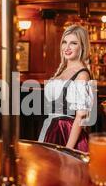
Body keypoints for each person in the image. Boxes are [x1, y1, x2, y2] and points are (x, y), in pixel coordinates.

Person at [38, 24, 94, 152]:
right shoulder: (63, 70)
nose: (67, 47)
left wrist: (68, 150)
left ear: (82, 47)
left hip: (66, 132)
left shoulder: (82, 74)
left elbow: (81, 116)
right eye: (64, 42)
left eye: (73, 43)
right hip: (51, 128)